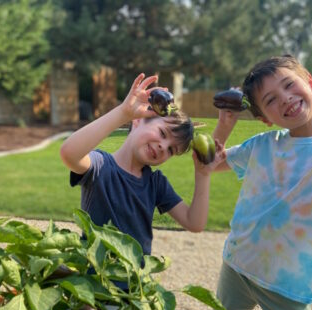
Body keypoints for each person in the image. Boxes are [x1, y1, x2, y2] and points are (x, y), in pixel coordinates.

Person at [212, 55, 312, 310]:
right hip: (237, 264)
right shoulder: (262, 145)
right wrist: (224, 126)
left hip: (290, 285)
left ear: (310, 82)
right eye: (270, 100)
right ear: (265, 118)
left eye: (290, 85)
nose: (284, 98)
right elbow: (209, 164)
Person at [60, 73, 225, 258]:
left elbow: (194, 222)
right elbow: (69, 153)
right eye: (162, 133)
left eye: (171, 150)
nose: (163, 146)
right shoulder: (100, 166)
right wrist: (123, 113)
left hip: (136, 282)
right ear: (138, 120)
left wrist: (203, 175)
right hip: (94, 282)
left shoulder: (155, 184)